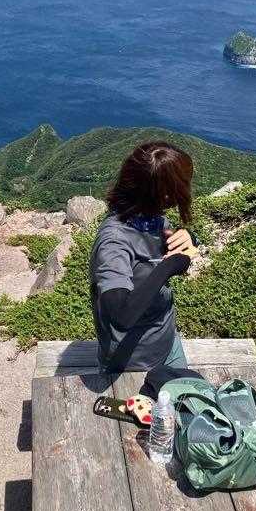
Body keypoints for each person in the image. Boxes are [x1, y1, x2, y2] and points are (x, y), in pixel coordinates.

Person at [90, 141, 199, 373]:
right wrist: (171, 266)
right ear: (167, 196)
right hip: (132, 363)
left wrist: (189, 238)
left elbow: (153, 258)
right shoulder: (114, 242)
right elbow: (120, 315)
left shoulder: (152, 219)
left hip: (167, 344)